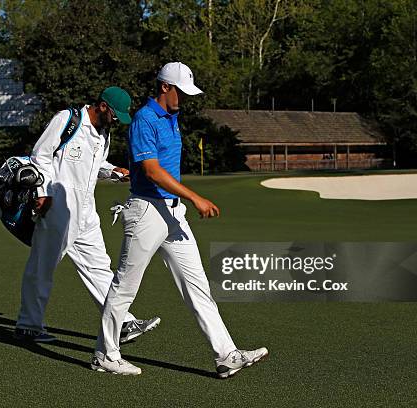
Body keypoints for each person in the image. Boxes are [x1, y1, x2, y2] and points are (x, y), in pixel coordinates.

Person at [92, 64, 268, 378]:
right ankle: (105, 354)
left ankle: (226, 355)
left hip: (172, 214)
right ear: (164, 87)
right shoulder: (145, 120)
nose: (184, 99)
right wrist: (195, 197)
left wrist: (183, 202)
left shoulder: (172, 118)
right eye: (180, 92)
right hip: (146, 211)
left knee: (197, 285)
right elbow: (151, 171)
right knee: (125, 286)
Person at [15, 86, 160, 343]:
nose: (116, 121)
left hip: (86, 210)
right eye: (115, 115)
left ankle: (122, 323)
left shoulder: (103, 134)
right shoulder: (67, 120)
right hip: (57, 204)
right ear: (103, 106)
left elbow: (94, 166)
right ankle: (29, 324)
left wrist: (112, 171)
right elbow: (41, 155)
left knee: (100, 266)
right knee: (43, 266)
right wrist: (41, 192)